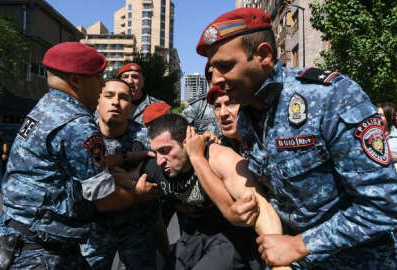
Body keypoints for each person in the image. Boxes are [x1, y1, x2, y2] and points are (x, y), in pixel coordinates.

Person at [196, 7, 397, 269]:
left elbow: (385, 205)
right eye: (211, 69)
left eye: (225, 66)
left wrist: (300, 244)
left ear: (263, 56)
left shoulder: (332, 97)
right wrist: (239, 210)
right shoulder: (247, 119)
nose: (216, 80)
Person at [0, 42, 149, 269]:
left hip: (23, 240)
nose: (101, 84)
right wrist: (137, 194)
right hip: (41, 253)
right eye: (98, 78)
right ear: (77, 80)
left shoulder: (45, 107)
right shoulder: (77, 124)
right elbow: (105, 199)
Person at [146, 114, 284, 270]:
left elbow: (261, 208)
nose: (160, 160)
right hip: (195, 234)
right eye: (156, 152)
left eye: (165, 150)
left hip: (229, 236)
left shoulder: (218, 158)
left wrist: (279, 262)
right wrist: (136, 193)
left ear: (187, 142)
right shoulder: (155, 167)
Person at [80, 79, 168, 269]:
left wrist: (132, 180)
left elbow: (167, 176)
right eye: (109, 95)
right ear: (98, 100)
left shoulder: (147, 137)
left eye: (123, 97)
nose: (115, 102)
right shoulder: (82, 135)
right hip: (94, 231)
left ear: (132, 106)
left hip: (138, 230)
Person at [206, 85, 252, 157]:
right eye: (217, 106)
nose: (222, 113)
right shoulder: (223, 144)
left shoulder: (265, 141)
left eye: (231, 103)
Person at [182, 62, 221, 136]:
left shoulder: (240, 102)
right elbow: (179, 133)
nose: (215, 79)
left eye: (219, 74)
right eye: (210, 76)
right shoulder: (196, 106)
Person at [378, 102, 397, 177]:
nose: (378, 117)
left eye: (381, 115)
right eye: (377, 114)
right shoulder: (369, 135)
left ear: (390, 117)